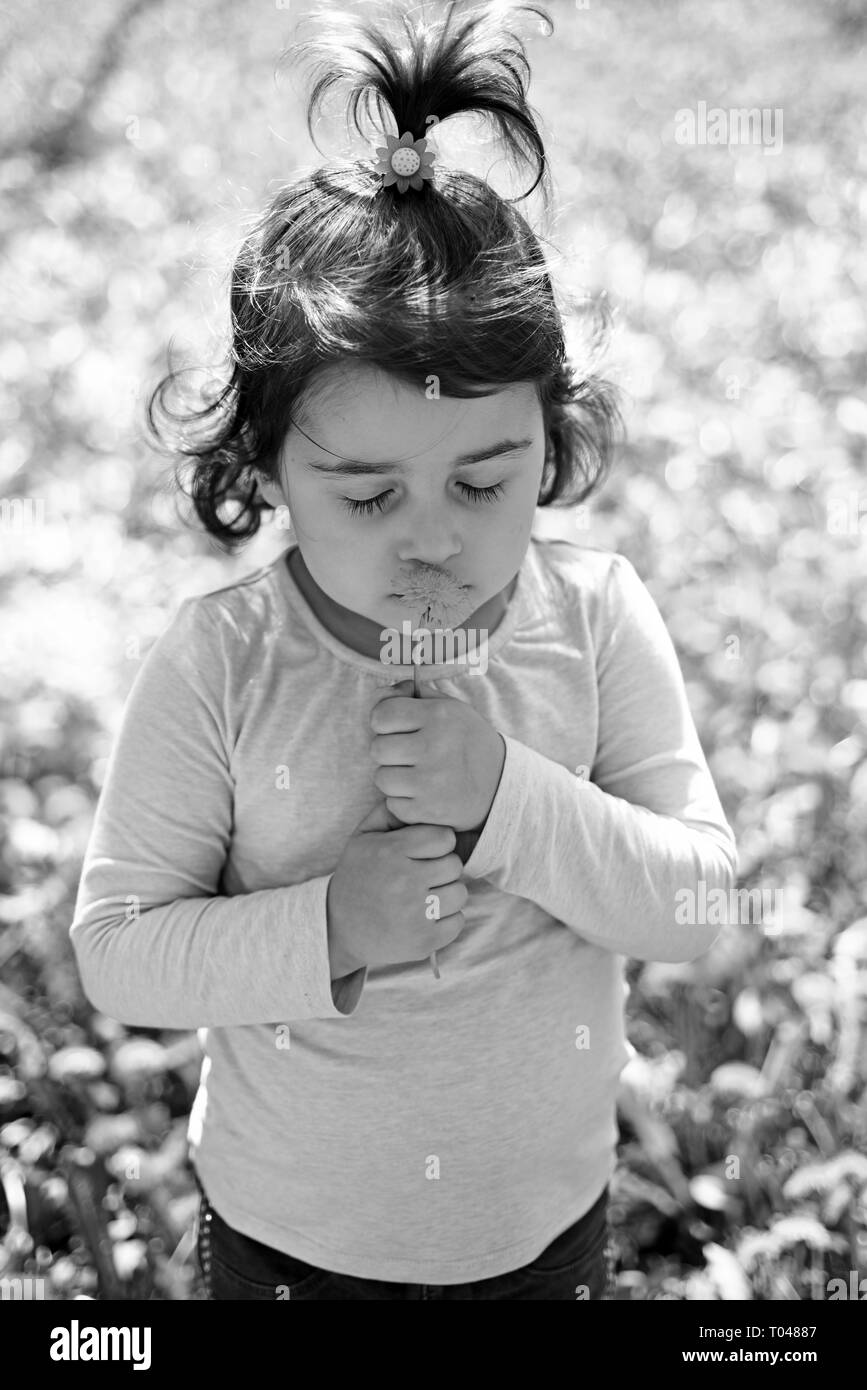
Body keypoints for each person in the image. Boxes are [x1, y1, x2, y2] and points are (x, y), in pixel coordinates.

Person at [69, 0, 737, 1301]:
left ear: (552, 437)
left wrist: (509, 798)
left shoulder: (592, 618)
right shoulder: (225, 662)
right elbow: (117, 946)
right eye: (369, 497)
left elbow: (703, 905)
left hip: (548, 1235)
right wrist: (334, 923)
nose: (431, 542)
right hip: (292, 1243)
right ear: (262, 468)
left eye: (485, 482)